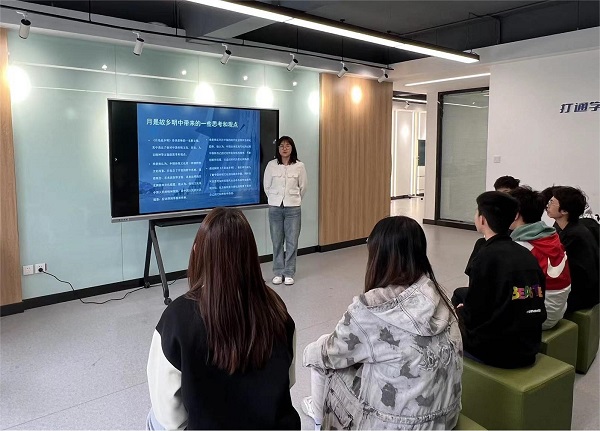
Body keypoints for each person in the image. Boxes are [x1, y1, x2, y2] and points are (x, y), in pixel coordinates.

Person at [301, 216, 463, 430]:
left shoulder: (371, 309)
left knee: (321, 354)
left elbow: (328, 355)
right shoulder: (439, 296)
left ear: (379, 255)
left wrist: (306, 353)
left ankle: (318, 420)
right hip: (444, 419)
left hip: (393, 425)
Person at [146, 207, 300, 430]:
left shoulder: (177, 318)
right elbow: (288, 381)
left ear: (197, 251)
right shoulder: (277, 309)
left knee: (153, 418)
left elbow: (169, 415)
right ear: (250, 255)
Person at [452, 192, 546, 368]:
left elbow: (475, 314)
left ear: (482, 220)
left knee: (449, 317)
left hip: (498, 352)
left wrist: (461, 312)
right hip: (530, 346)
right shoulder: (526, 253)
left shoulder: (485, 257)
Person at [509, 186, 571, 330]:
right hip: (558, 309)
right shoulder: (550, 234)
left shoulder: (522, 247)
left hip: (540, 316)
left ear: (515, 215)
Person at [546, 186, 599, 312]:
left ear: (564, 211)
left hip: (582, 296)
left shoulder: (574, 235)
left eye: (552, 202)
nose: (548, 205)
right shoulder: (573, 229)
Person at [264, 136, 307, 286]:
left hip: (293, 207)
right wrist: (274, 199)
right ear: (278, 149)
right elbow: (266, 186)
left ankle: (288, 272)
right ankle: (278, 272)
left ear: (292, 148)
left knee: (292, 242)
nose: (284, 148)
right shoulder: (271, 165)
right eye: (281, 145)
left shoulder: (299, 166)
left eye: (288, 145)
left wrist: (294, 199)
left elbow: (303, 187)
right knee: (277, 241)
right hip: (275, 207)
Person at [465, 175, 521, 276]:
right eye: (498, 193)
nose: (501, 197)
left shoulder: (516, 215)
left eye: (506, 193)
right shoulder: (496, 214)